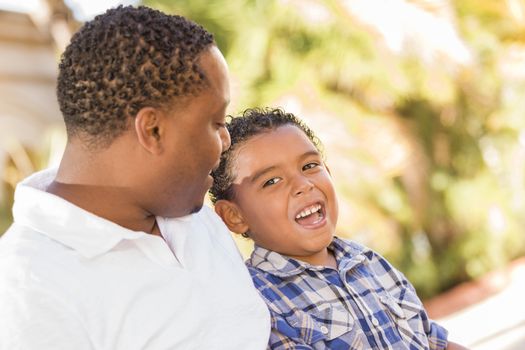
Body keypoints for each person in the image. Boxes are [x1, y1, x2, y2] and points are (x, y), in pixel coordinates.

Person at [0, 6, 270, 350]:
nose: (226, 139)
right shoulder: (28, 289)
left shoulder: (190, 209)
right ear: (152, 130)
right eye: (215, 122)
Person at [209, 107, 469, 349]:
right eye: (272, 181)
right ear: (234, 216)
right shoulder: (258, 301)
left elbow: (433, 341)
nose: (303, 184)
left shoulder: (368, 262)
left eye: (310, 166)